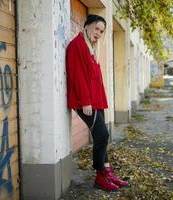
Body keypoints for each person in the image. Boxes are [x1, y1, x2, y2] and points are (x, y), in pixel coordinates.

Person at [66, 14, 128, 192]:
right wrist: (86, 102)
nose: (99, 33)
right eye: (96, 29)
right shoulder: (77, 46)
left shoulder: (91, 47)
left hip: (95, 101)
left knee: (102, 136)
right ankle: (100, 176)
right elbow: (78, 76)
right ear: (86, 26)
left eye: (101, 31)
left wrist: (99, 101)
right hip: (85, 102)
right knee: (102, 136)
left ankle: (107, 172)